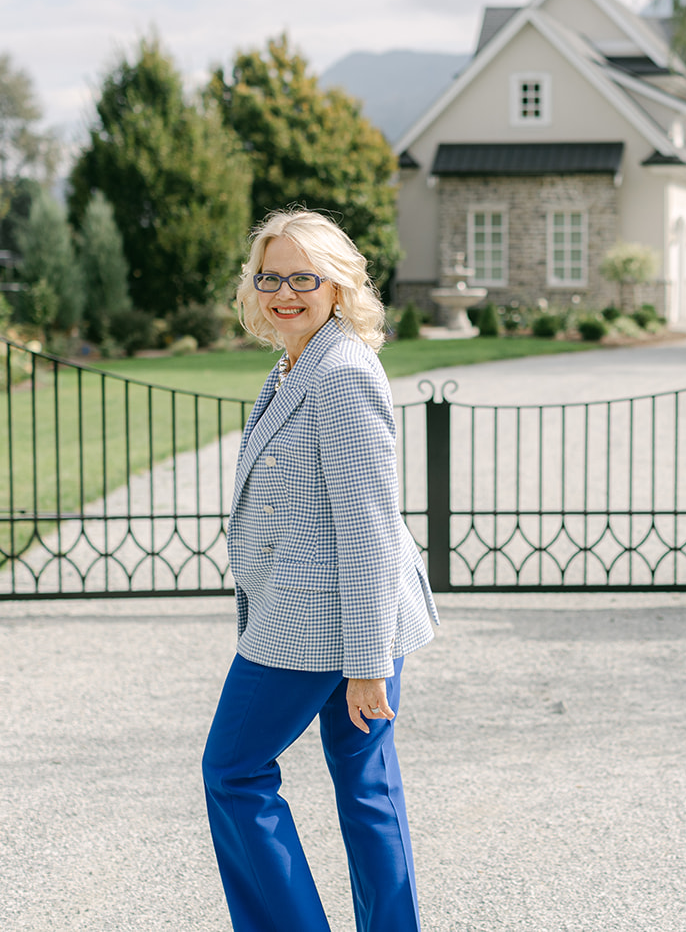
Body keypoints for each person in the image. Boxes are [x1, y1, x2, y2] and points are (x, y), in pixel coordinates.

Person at [202, 209, 439, 932]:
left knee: (234, 771)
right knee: (368, 790)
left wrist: (367, 662)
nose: (284, 292)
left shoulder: (339, 372)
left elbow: (369, 524)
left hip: (324, 624)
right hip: (338, 616)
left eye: (304, 276)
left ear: (339, 285)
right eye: (270, 275)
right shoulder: (297, 361)